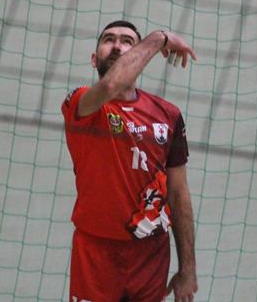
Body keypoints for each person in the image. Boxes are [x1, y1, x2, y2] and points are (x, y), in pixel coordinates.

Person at [62, 20, 198, 302]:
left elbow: (178, 193)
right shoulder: (80, 102)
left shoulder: (168, 115)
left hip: (150, 255)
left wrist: (188, 268)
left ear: (139, 58)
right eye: (108, 39)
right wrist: (160, 38)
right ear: (93, 58)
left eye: (127, 42)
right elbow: (111, 84)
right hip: (96, 254)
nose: (117, 46)